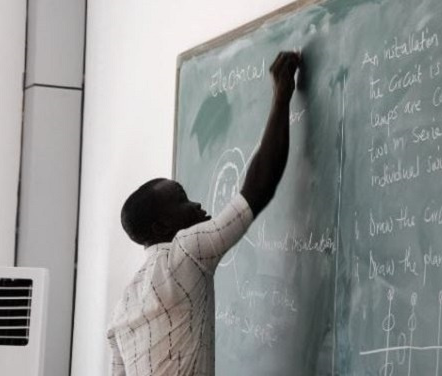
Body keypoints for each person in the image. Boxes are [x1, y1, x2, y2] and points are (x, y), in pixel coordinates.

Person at [107, 51, 301, 376]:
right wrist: (282, 96)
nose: (196, 205)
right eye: (182, 199)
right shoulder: (184, 253)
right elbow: (257, 190)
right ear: (161, 225)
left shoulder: (123, 307)